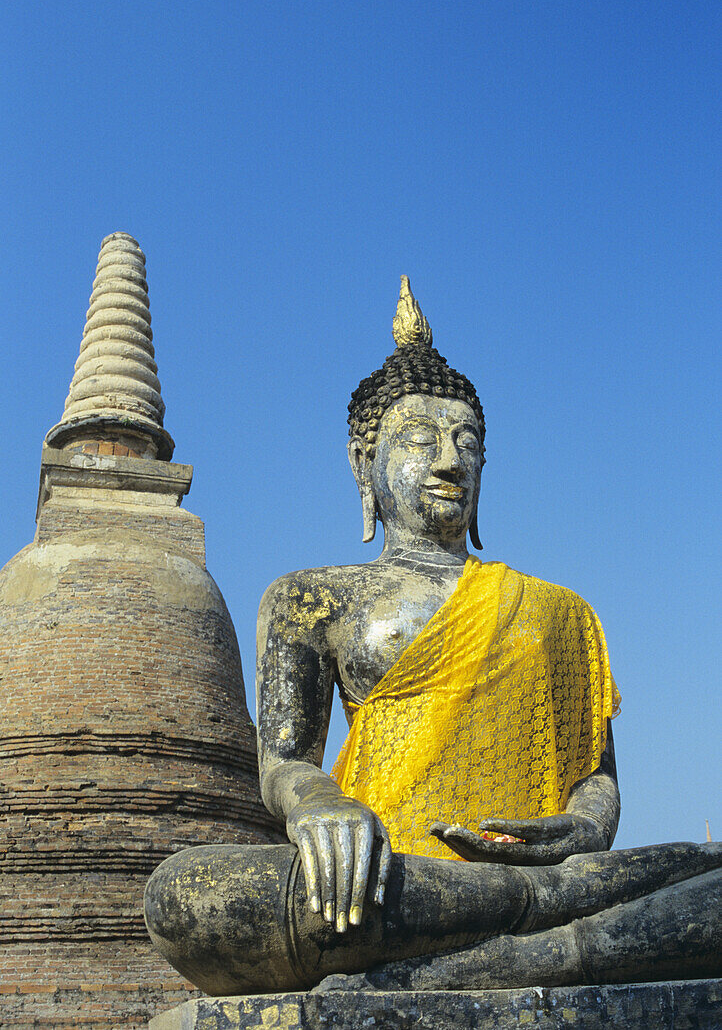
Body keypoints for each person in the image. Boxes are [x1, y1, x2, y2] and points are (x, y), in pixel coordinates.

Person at [144, 278, 721, 997]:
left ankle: (508, 939)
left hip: (548, 875)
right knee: (191, 897)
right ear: (364, 463)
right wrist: (320, 805)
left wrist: (583, 827)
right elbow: (284, 762)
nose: (450, 460)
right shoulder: (311, 597)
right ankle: (545, 935)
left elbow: (596, 776)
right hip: (389, 881)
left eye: (467, 442)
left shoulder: (559, 610)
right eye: (420, 441)